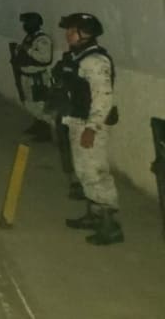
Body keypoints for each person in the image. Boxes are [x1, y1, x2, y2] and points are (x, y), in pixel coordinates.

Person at [56, 13, 123, 245]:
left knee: (96, 173)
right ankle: (93, 216)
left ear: (86, 33)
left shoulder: (95, 61)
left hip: (91, 125)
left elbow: (103, 97)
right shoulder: (78, 57)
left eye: (72, 30)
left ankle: (110, 227)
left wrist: (92, 128)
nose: (68, 34)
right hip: (77, 121)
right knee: (84, 171)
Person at [12, 12, 54, 141]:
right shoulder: (30, 37)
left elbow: (46, 59)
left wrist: (28, 50)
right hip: (26, 76)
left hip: (37, 79)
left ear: (34, 23)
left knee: (39, 104)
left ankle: (45, 131)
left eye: (27, 23)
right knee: (29, 103)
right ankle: (38, 124)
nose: (24, 25)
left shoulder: (42, 39)